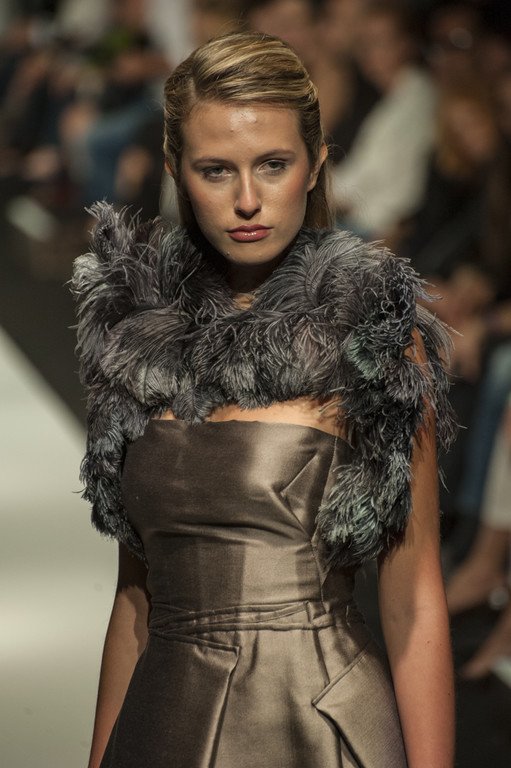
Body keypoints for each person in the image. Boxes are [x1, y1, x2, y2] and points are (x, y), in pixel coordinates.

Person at [71, 31, 456, 768]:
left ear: (315, 164)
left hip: (318, 725)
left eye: (272, 165)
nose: (247, 200)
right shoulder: (136, 335)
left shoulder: (372, 332)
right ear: (177, 171)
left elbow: (412, 599)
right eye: (216, 170)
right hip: (161, 720)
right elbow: (135, 599)